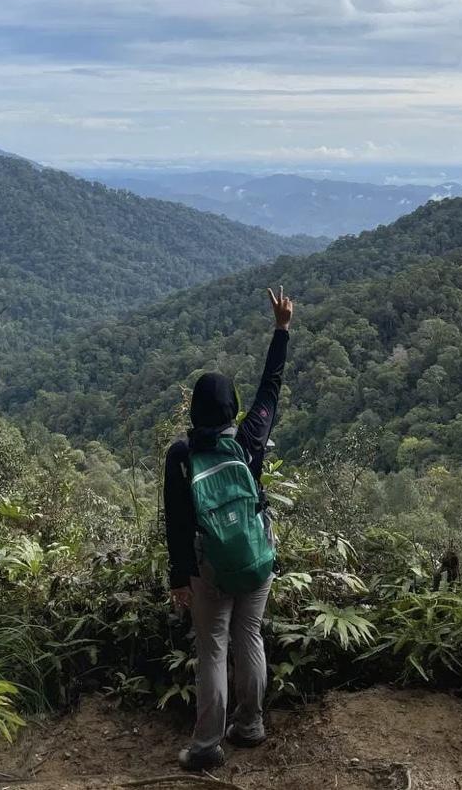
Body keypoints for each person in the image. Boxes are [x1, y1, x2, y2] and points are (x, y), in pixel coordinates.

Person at [164, 285, 293, 772]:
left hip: (209, 565)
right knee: (250, 637)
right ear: (231, 408)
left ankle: (205, 747)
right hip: (256, 557)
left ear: (194, 409)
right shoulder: (249, 440)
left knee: (213, 648)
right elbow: (270, 390)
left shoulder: (181, 455)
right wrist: (281, 330)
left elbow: (176, 522)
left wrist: (179, 576)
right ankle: (252, 723)